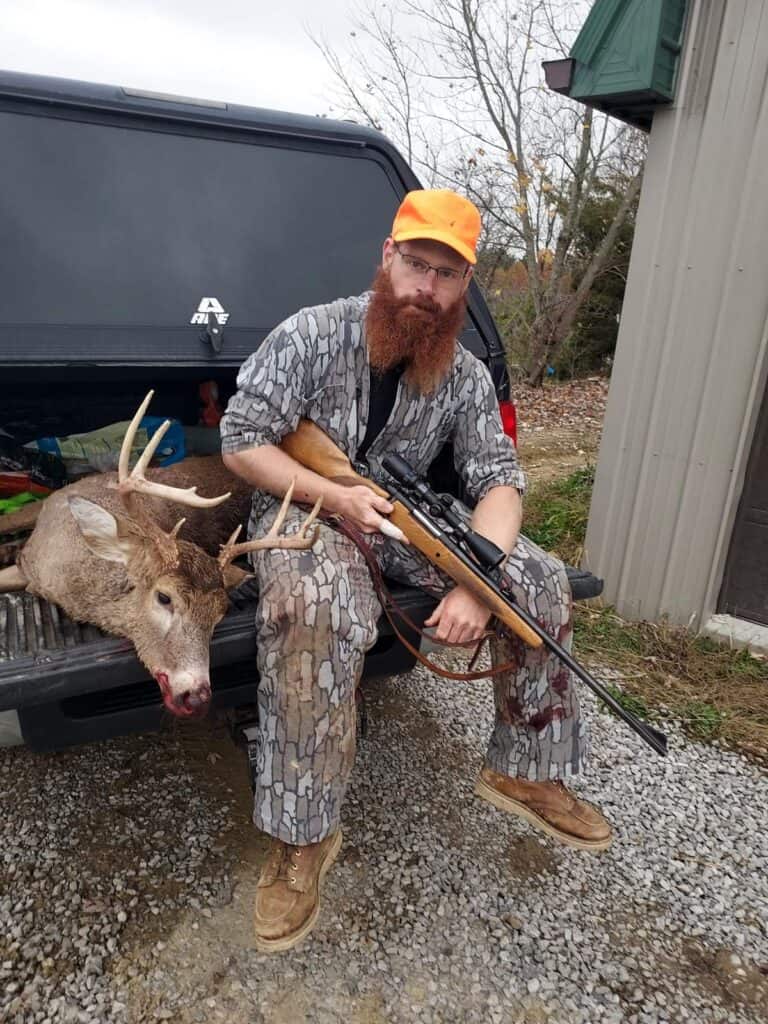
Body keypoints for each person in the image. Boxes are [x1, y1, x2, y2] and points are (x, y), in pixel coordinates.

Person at [220, 188, 611, 954]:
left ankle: (523, 772)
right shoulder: (311, 335)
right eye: (415, 264)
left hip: (407, 516)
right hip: (306, 508)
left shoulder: (463, 373)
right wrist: (334, 493)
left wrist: (478, 580)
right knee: (317, 609)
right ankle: (304, 838)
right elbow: (242, 441)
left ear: (467, 286)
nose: (426, 289)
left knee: (540, 582)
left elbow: (500, 481)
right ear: (387, 259)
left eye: (447, 274)